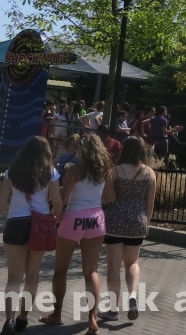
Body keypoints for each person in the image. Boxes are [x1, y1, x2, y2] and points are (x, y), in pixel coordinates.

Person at [42, 134, 117, 332]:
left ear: (82, 150)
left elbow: (64, 199)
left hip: (73, 218)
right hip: (96, 219)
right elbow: (110, 197)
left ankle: (56, 314)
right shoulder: (105, 171)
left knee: (61, 269)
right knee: (91, 271)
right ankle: (92, 319)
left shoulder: (74, 170)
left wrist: (55, 213)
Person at [0, 136, 63, 334]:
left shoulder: (12, 172)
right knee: (32, 275)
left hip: (16, 223)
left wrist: (12, 215)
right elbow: (57, 202)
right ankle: (23, 317)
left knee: (13, 277)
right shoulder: (51, 173)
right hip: (40, 224)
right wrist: (55, 217)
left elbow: (1, 200)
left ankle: (8, 319)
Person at [101, 136, 156, 323]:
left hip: (115, 221)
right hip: (137, 222)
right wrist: (146, 222)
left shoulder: (115, 171)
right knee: (132, 263)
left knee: (113, 266)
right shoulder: (149, 173)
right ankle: (132, 295)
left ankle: (113, 309)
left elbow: (109, 197)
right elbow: (150, 205)